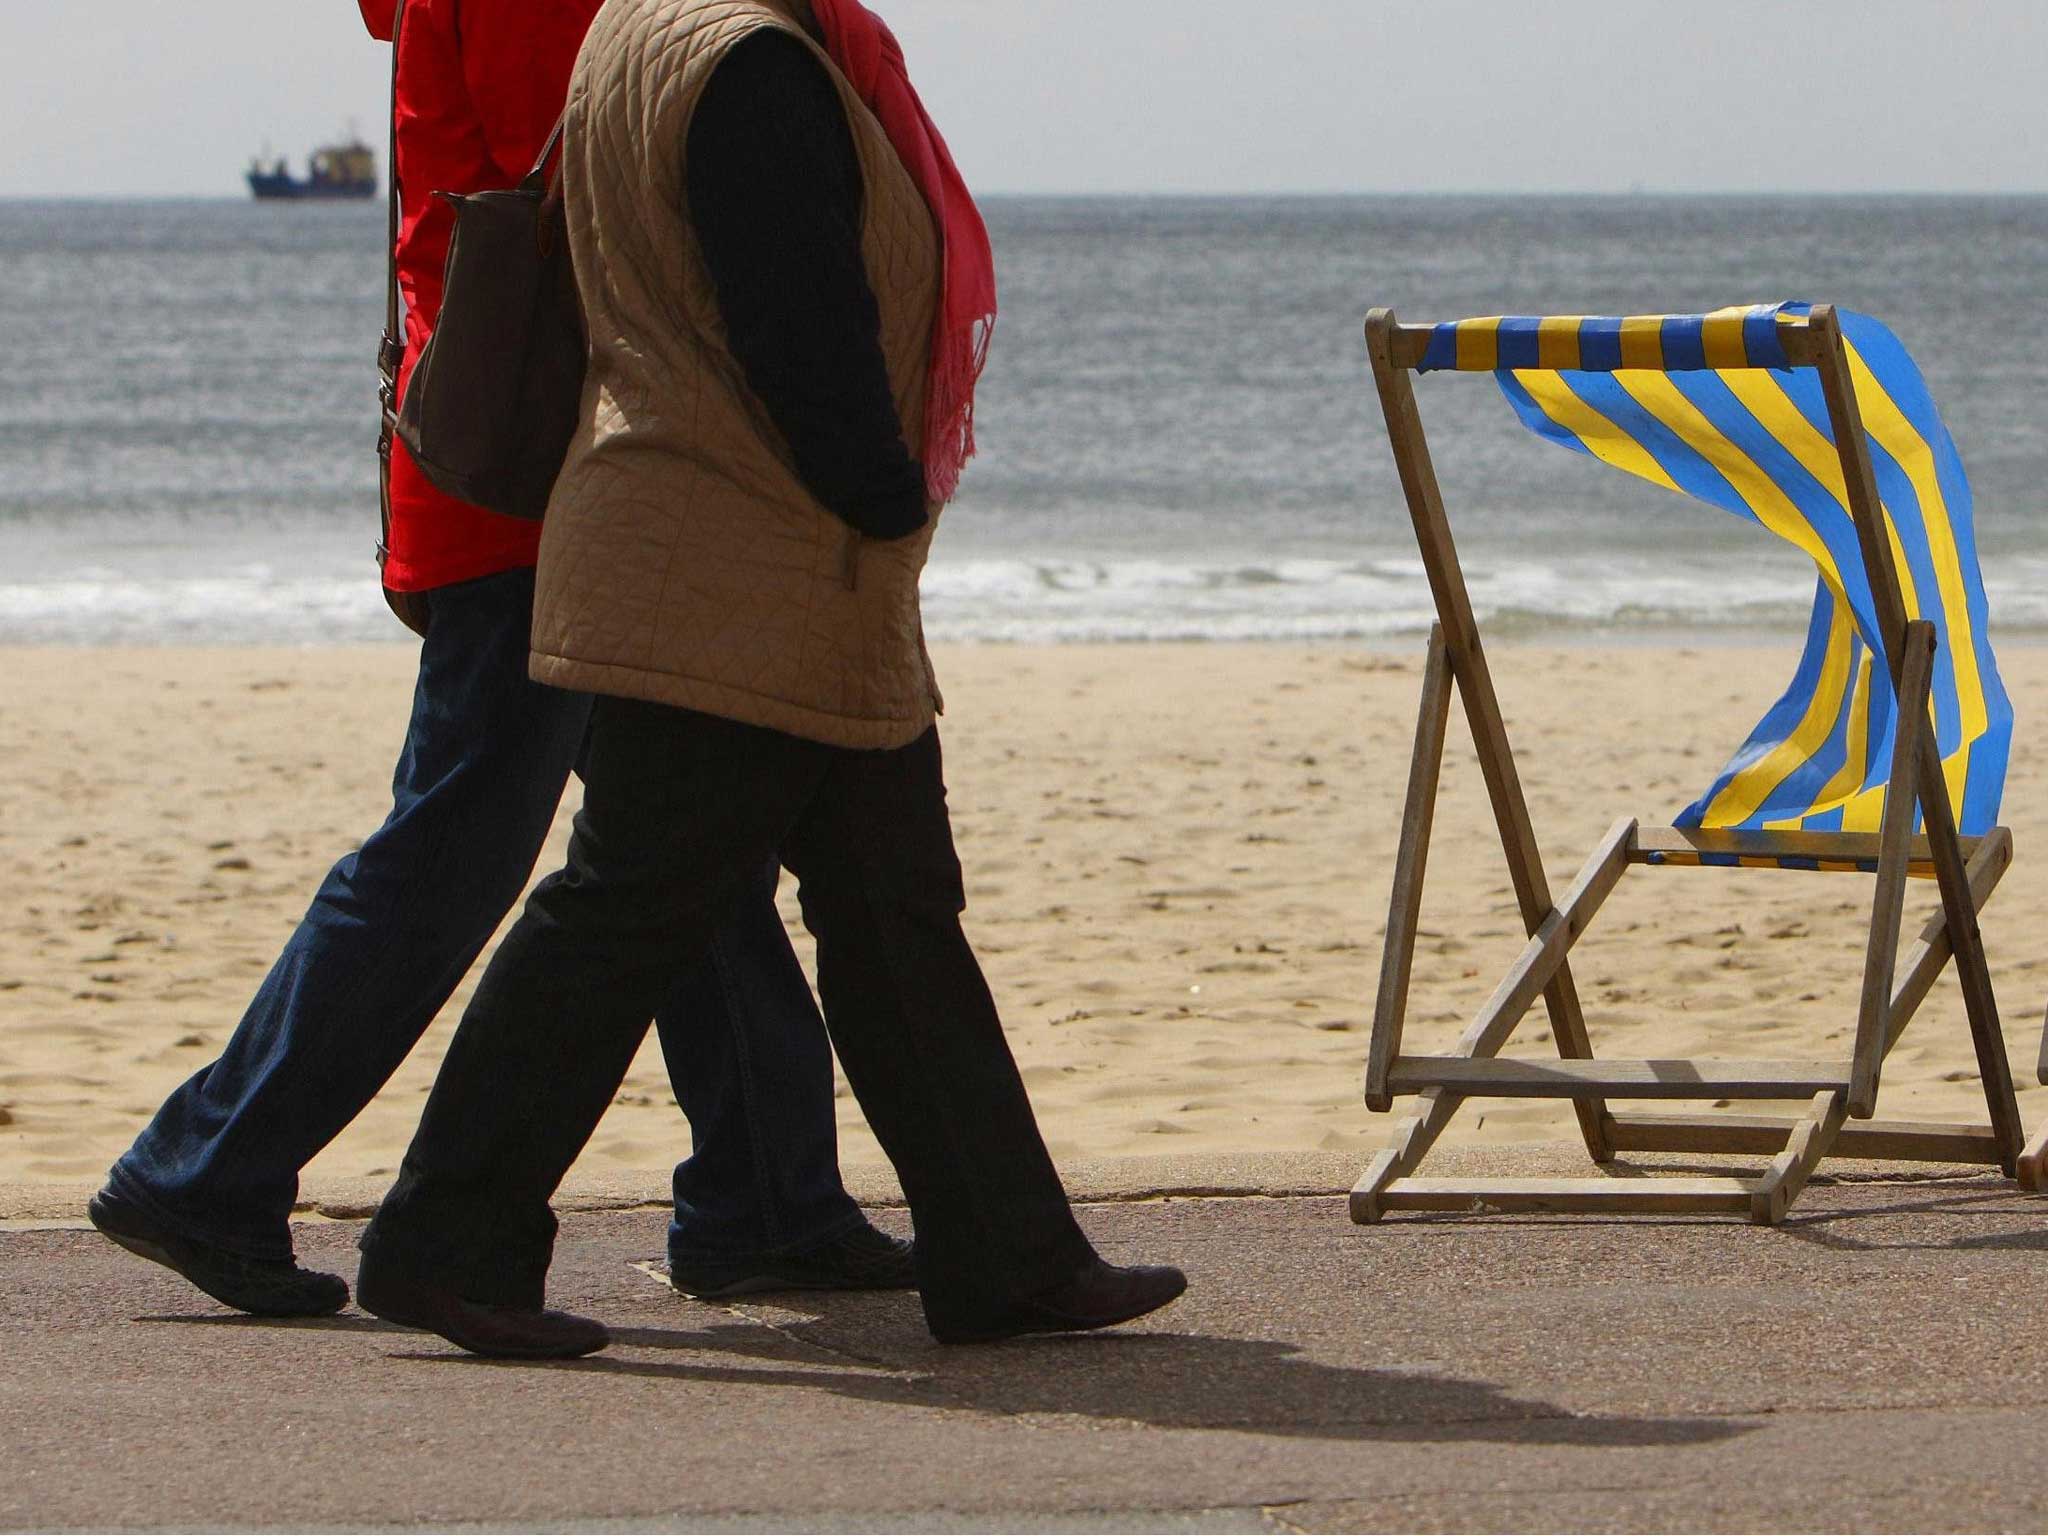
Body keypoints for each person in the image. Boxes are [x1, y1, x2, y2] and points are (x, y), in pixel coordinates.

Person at [352, 0, 1187, 1359]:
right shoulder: (748, 64)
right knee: (629, 904)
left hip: (715, 538)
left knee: (890, 906)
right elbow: (796, 320)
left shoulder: (637, 28)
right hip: (743, 557)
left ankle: (1007, 1252)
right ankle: (444, 1235)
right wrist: (880, 497)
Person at [84, 0, 913, 1319]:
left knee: (672, 826)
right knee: (480, 834)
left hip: (526, 465)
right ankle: (208, 1160)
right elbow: (609, 185)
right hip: (541, 474)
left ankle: (767, 1192)